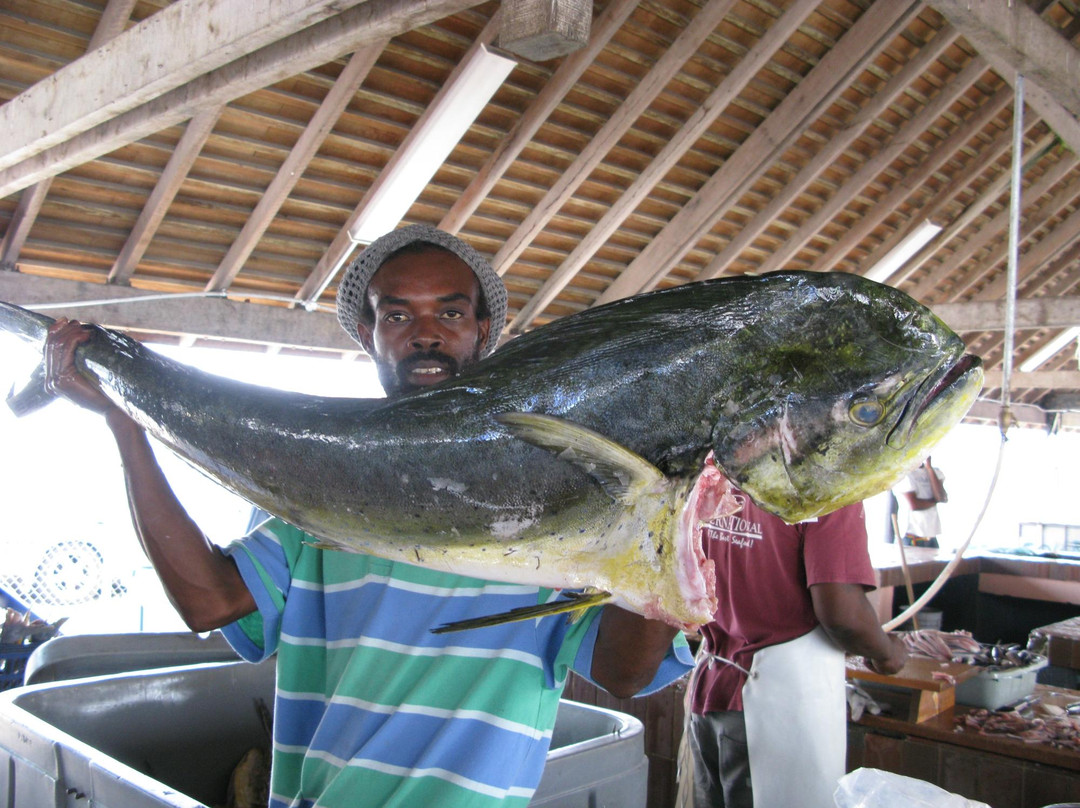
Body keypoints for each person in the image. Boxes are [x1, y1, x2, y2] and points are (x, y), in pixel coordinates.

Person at [43, 224, 693, 807]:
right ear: (368, 333)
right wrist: (125, 423)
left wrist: (664, 516)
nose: (427, 332)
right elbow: (207, 603)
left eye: (451, 311)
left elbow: (624, 673)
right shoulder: (318, 496)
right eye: (397, 314)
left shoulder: (561, 493)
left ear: (484, 332)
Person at [687, 474, 907, 808]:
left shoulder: (719, 472)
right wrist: (887, 652)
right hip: (779, 711)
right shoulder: (828, 481)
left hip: (709, 693)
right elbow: (842, 614)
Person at [896, 456, 948, 548]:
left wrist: (929, 468)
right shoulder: (905, 474)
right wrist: (936, 500)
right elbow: (915, 505)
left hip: (931, 536)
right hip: (912, 536)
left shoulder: (935, 472)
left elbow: (942, 497)